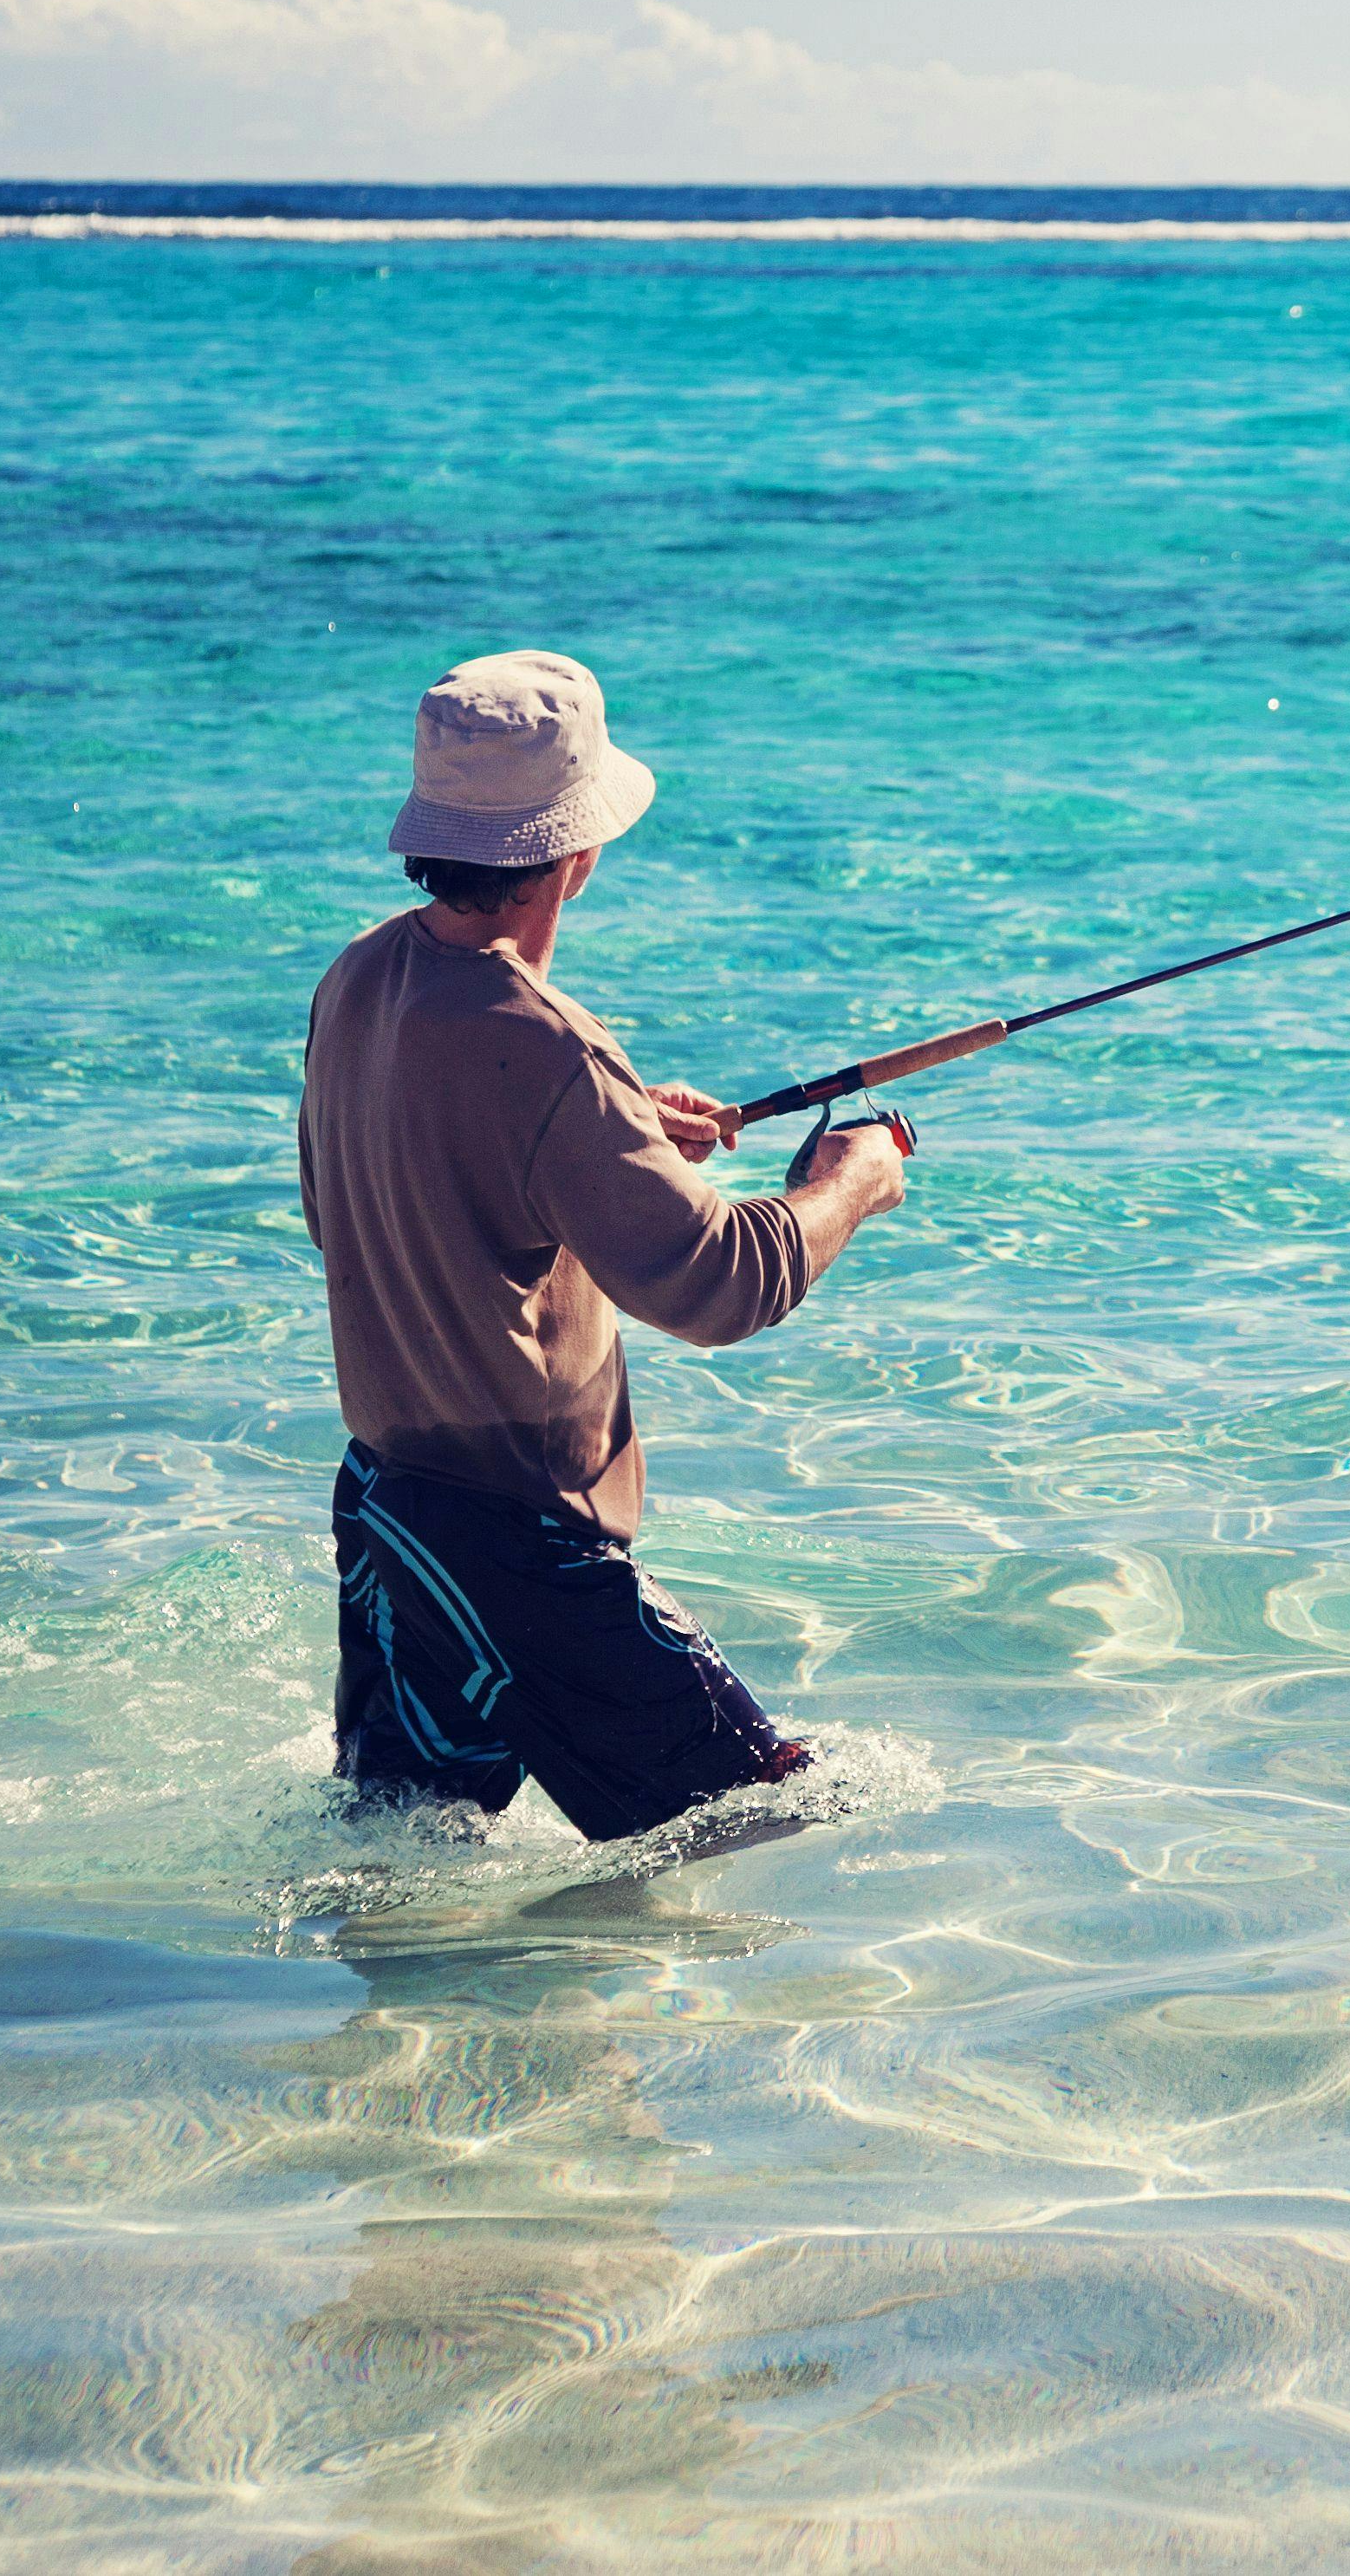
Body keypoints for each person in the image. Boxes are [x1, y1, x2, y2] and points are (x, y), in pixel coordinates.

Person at [295, 649, 912, 1838]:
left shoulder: (358, 977)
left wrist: (608, 1140)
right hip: (517, 1547)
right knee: (780, 1815)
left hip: (387, 1514)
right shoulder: (550, 1049)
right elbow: (724, 1284)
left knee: (399, 1874)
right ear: (576, 850)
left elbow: (347, 1211)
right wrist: (851, 1184)